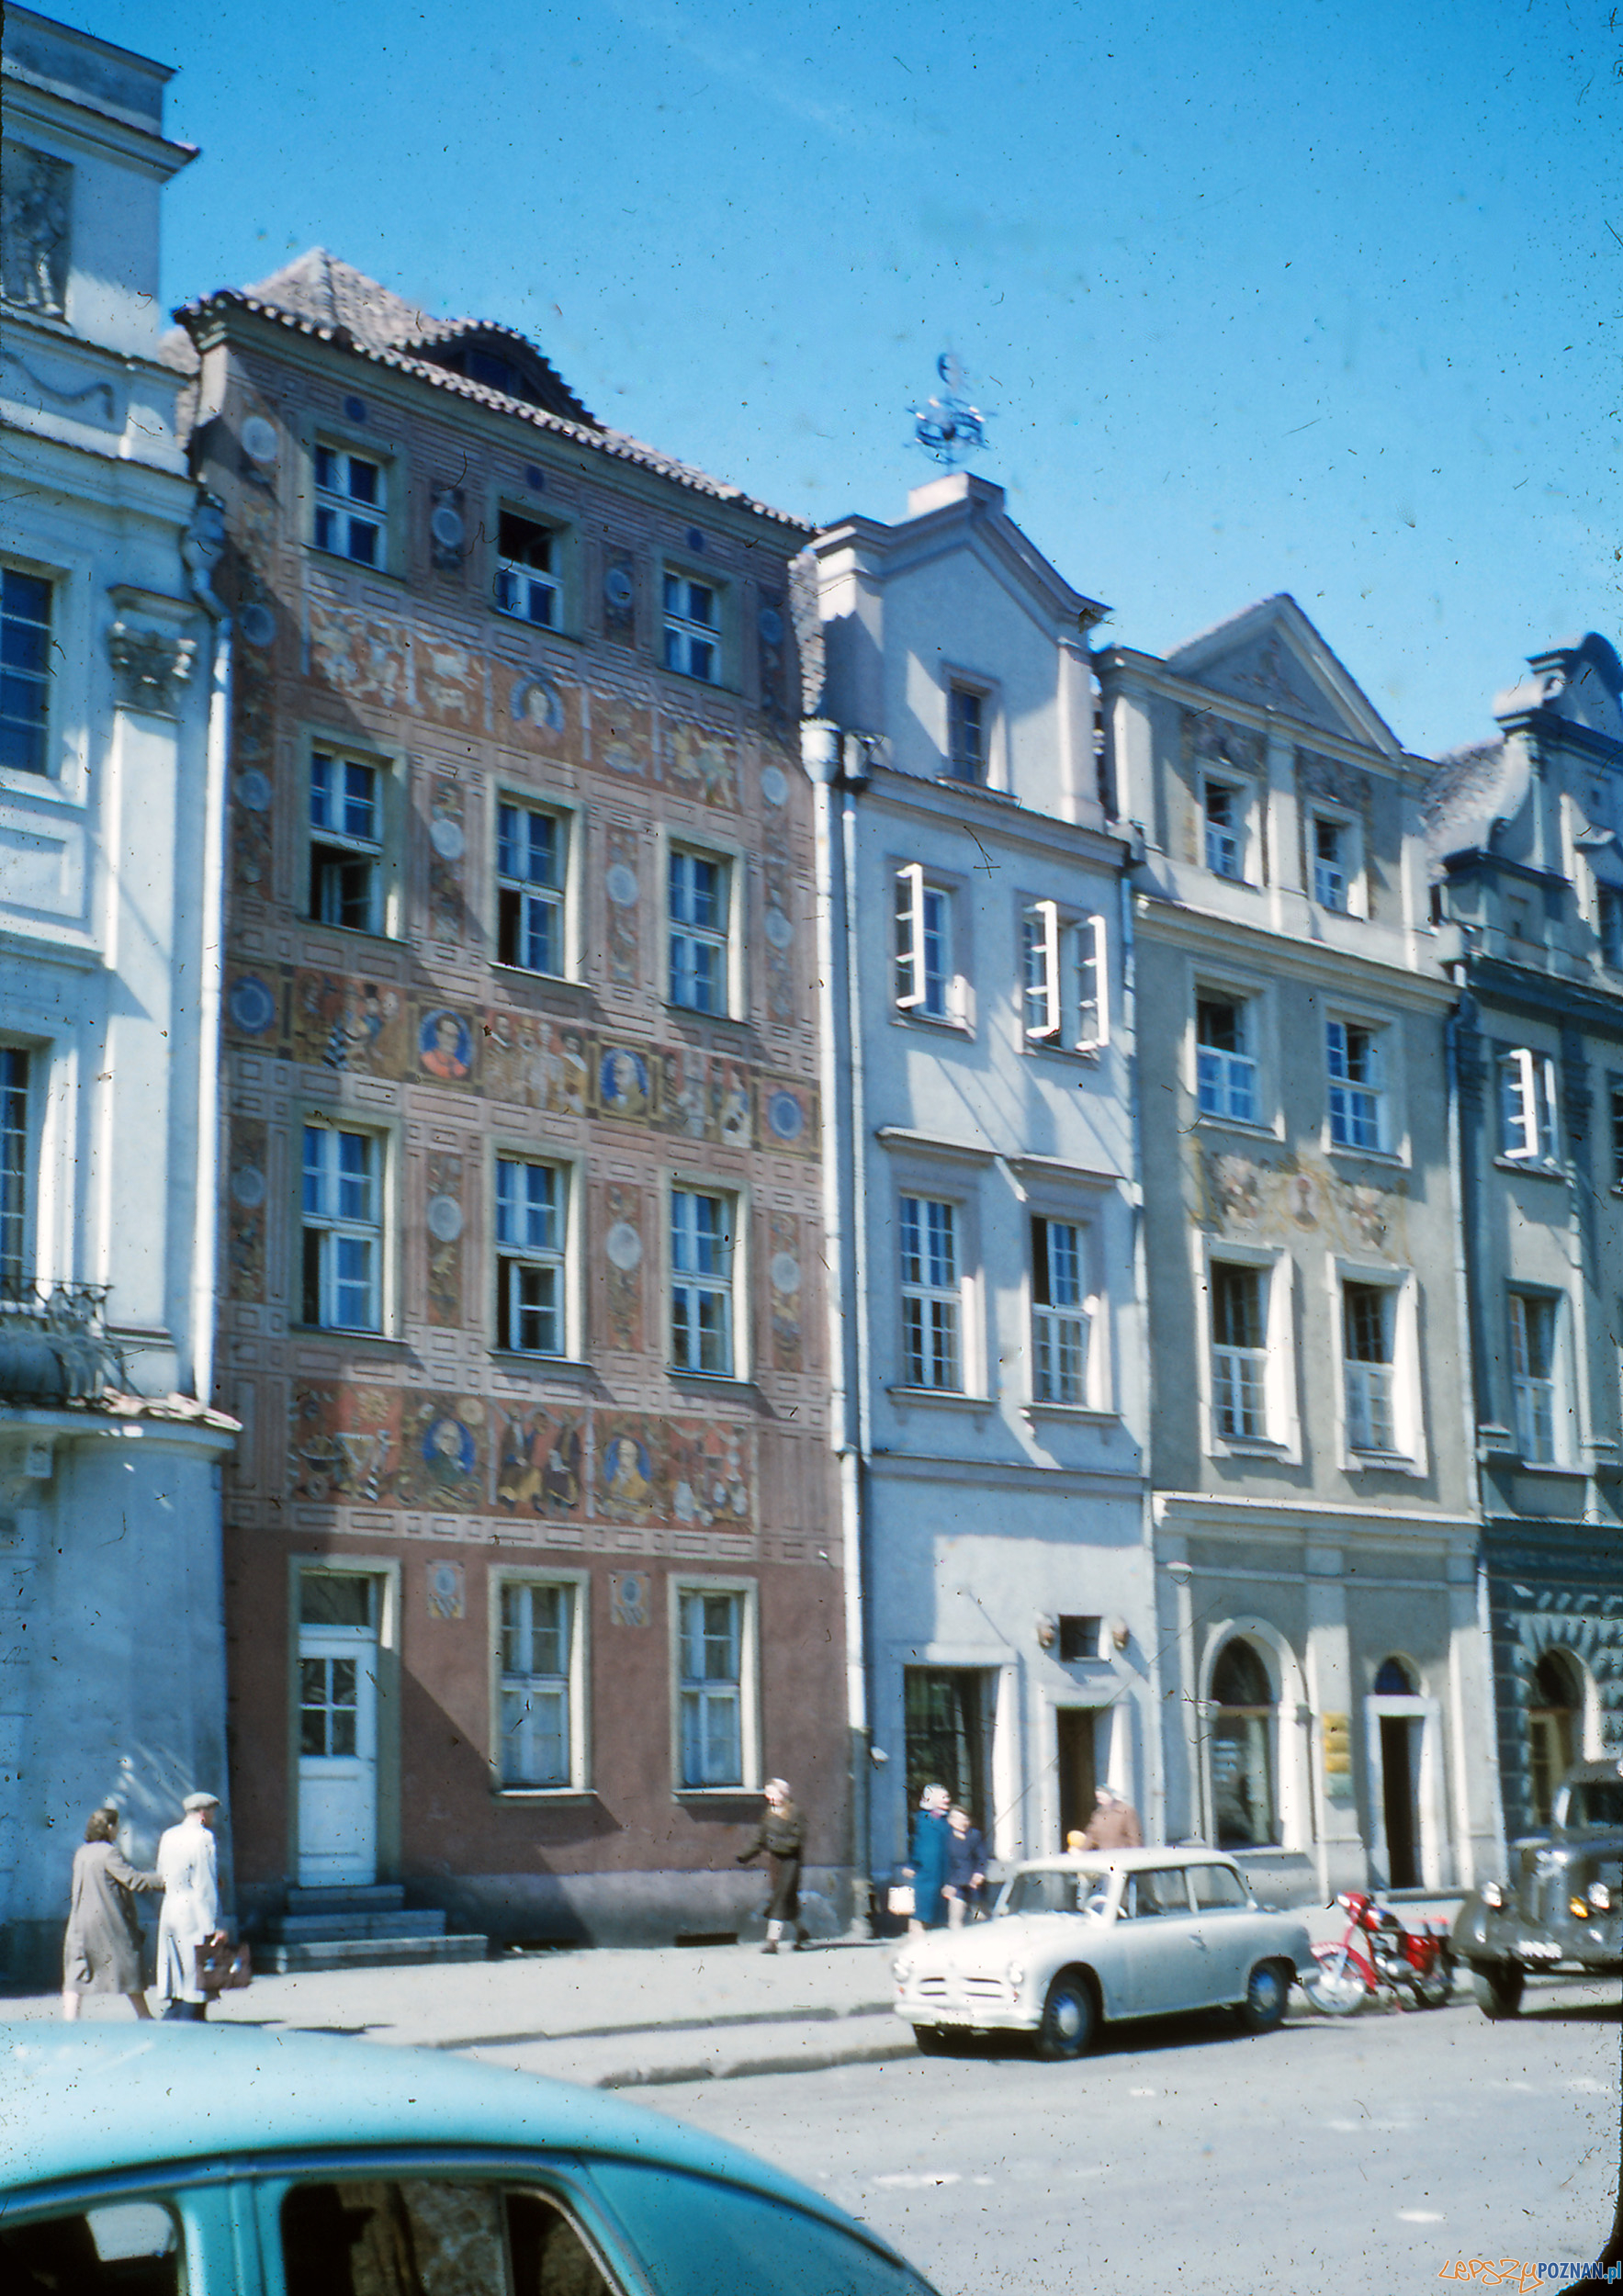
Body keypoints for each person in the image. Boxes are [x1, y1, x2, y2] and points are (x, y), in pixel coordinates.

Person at [62, 1805, 163, 2020]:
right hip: (107, 1921)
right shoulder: (109, 1852)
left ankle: (69, 2020)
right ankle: (144, 2016)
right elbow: (133, 1880)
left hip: (80, 1922)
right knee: (128, 1963)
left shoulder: (82, 1852)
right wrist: (163, 1880)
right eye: (117, 1826)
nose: (118, 1830)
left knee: (78, 1970)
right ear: (109, 1827)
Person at [155, 1792, 227, 2021]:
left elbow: (162, 1873)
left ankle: (174, 2019)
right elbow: (204, 1885)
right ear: (203, 1813)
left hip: (171, 1906)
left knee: (177, 1973)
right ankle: (192, 2026)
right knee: (197, 1977)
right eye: (213, 1812)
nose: (214, 1817)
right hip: (194, 1910)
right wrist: (215, 1925)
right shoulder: (204, 1837)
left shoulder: (169, 1835)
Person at [737, 1778, 806, 1953]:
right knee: (785, 1901)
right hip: (776, 1864)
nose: (769, 1798)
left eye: (772, 1793)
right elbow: (760, 1840)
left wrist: (774, 1844)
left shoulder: (795, 1813)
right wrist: (744, 1855)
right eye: (767, 1794)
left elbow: (796, 1841)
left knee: (780, 1900)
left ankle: (772, 1942)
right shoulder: (769, 1814)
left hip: (791, 1863)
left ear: (782, 1794)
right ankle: (801, 1932)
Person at [908, 1784, 952, 1932]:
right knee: (923, 1911)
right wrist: (912, 1864)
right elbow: (917, 1845)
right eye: (943, 1797)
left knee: (944, 1914)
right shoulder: (921, 1819)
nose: (947, 1800)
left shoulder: (950, 1820)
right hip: (927, 1873)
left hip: (946, 1871)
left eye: (947, 1797)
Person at [944, 1805, 987, 1928]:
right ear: (950, 1821)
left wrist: (979, 1873)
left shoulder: (975, 1835)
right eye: (958, 1819)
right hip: (955, 1885)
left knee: (979, 1919)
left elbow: (982, 1858)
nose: (962, 1823)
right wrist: (948, 1884)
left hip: (974, 1885)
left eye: (965, 1819)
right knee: (955, 1918)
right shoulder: (946, 1838)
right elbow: (944, 1864)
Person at [1079, 1783, 1143, 1851]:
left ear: (1109, 1796)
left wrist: (1136, 1855)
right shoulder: (1098, 1815)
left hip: (1123, 1856)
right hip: (1104, 1856)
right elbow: (1091, 1835)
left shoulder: (1126, 1811)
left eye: (1101, 1798)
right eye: (1098, 1799)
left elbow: (1134, 1837)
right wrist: (1080, 1850)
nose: (1099, 1801)